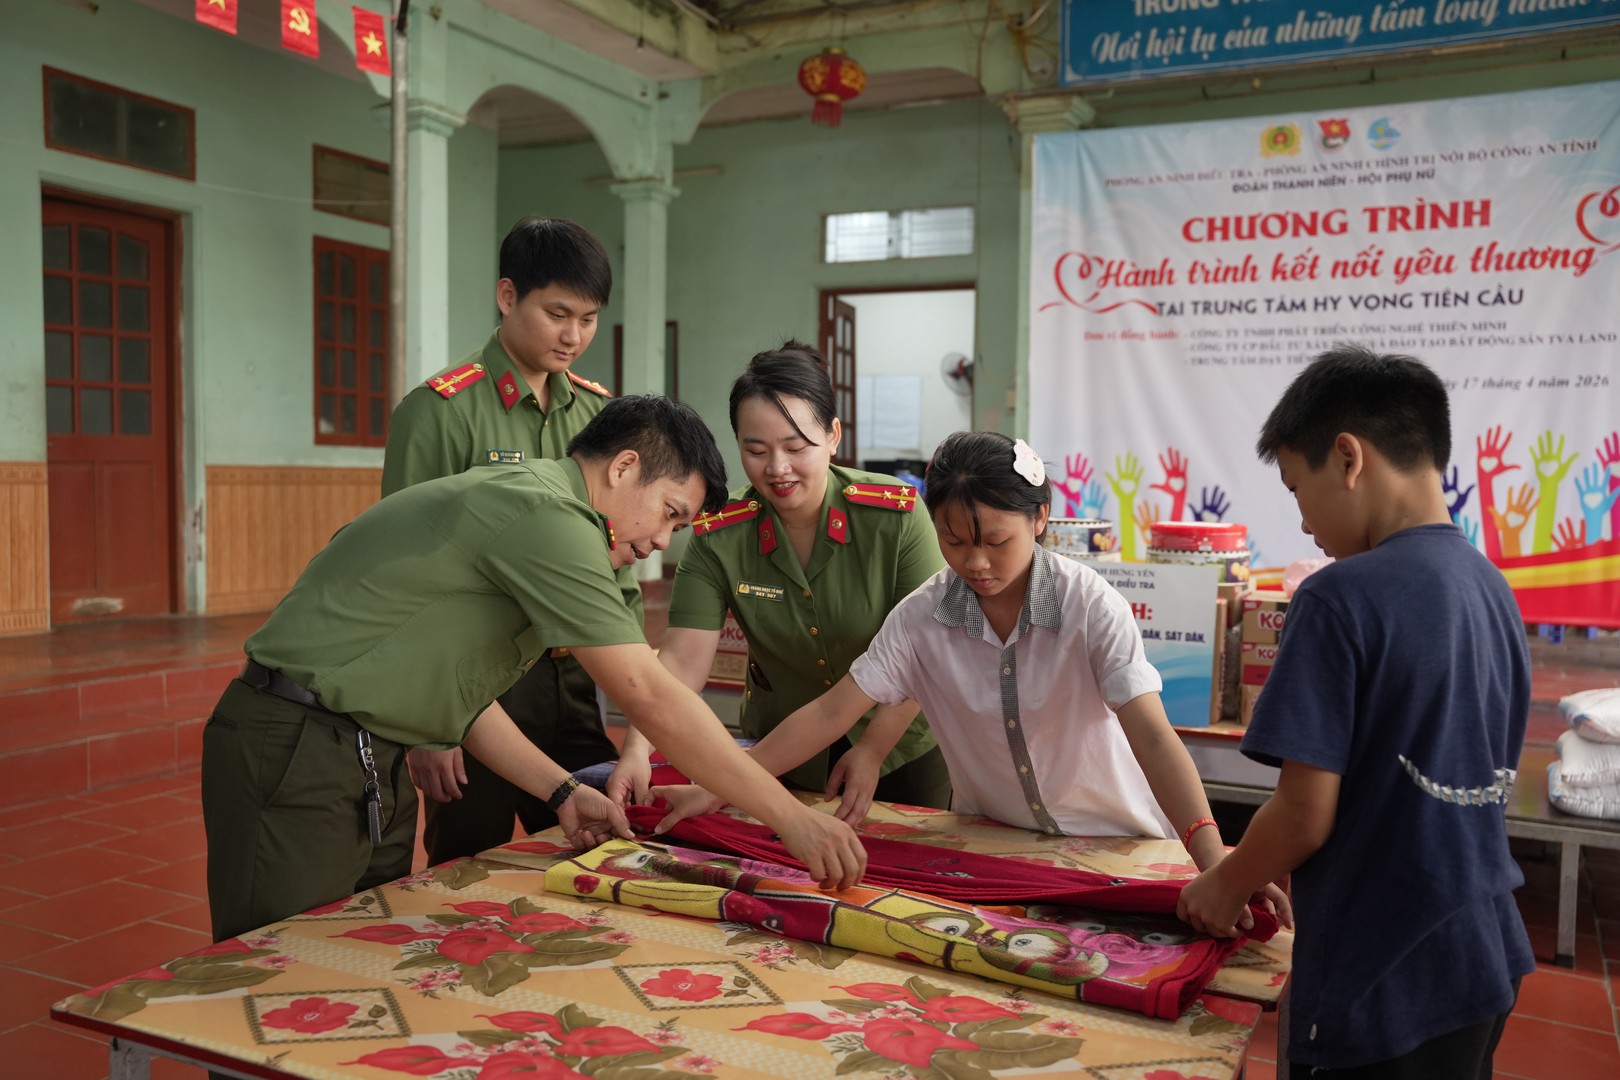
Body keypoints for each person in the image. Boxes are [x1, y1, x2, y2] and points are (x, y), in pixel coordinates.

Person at [202, 396, 867, 943]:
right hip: (299, 746)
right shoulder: (550, 517)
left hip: (369, 753)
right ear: (624, 467)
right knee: (275, 961)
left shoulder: (537, 508)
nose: (663, 541)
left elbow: (462, 698)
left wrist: (560, 791)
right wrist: (790, 817)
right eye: (670, 513)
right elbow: (647, 692)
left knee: (350, 951)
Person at [652, 430, 1278, 924]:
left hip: (1116, 845)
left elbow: (1153, 737)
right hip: (995, 850)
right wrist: (717, 788)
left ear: (1040, 519)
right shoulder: (923, 615)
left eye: (996, 541)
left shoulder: (1090, 606)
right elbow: (830, 713)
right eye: (953, 542)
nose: (975, 563)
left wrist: (1212, 856)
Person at [1176, 346, 1531, 1078]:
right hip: (1483, 949)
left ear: (1348, 458)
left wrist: (1226, 883)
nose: (1303, 520)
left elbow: (1304, 814)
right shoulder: (1491, 588)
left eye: (1297, 489)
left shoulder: (1339, 598)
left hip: (1379, 970)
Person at [606, 342, 951, 822]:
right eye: (756, 450)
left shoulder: (896, 517)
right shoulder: (720, 534)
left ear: (832, 436)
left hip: (898, 745)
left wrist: (873, 750)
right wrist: (637, 748)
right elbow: (682, 661)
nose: (777, 468)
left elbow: (923, 652)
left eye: (795, 448)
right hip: (776, 753)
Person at [382, 216, 630, 865]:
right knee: (467, 866)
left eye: (589, 319)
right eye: (557, 314)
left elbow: (616, 561)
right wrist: (433, 723)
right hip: (477, 688)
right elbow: (405, 577)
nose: (574, 336)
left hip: (573, 677)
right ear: (507, 296)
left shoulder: (599, 415)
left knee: (598, 851)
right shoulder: (440, 411)